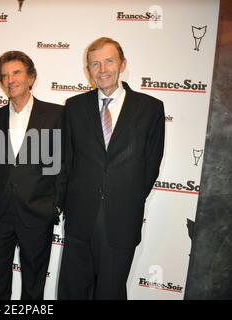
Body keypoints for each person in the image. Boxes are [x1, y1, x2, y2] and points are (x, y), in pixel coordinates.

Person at [58, 37, 165, 300]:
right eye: (94, 64)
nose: (102, 69)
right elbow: (65, 161)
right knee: (73, 291)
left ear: (122, 64)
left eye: (108, 61)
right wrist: (63, 204)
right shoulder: (74, 107)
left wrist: (127, 198)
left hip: (121, 219)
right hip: (80, 217)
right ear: (88, 70)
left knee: (110, 292)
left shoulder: (150, 108)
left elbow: (151, 164)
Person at [0, 51, 64, 300]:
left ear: (31, 78)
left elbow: (62, 165)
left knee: (34, 283)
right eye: (4, 76)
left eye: (16, 73)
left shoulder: (56, 115)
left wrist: (54, 206)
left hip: (38, 211)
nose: (10, 80)